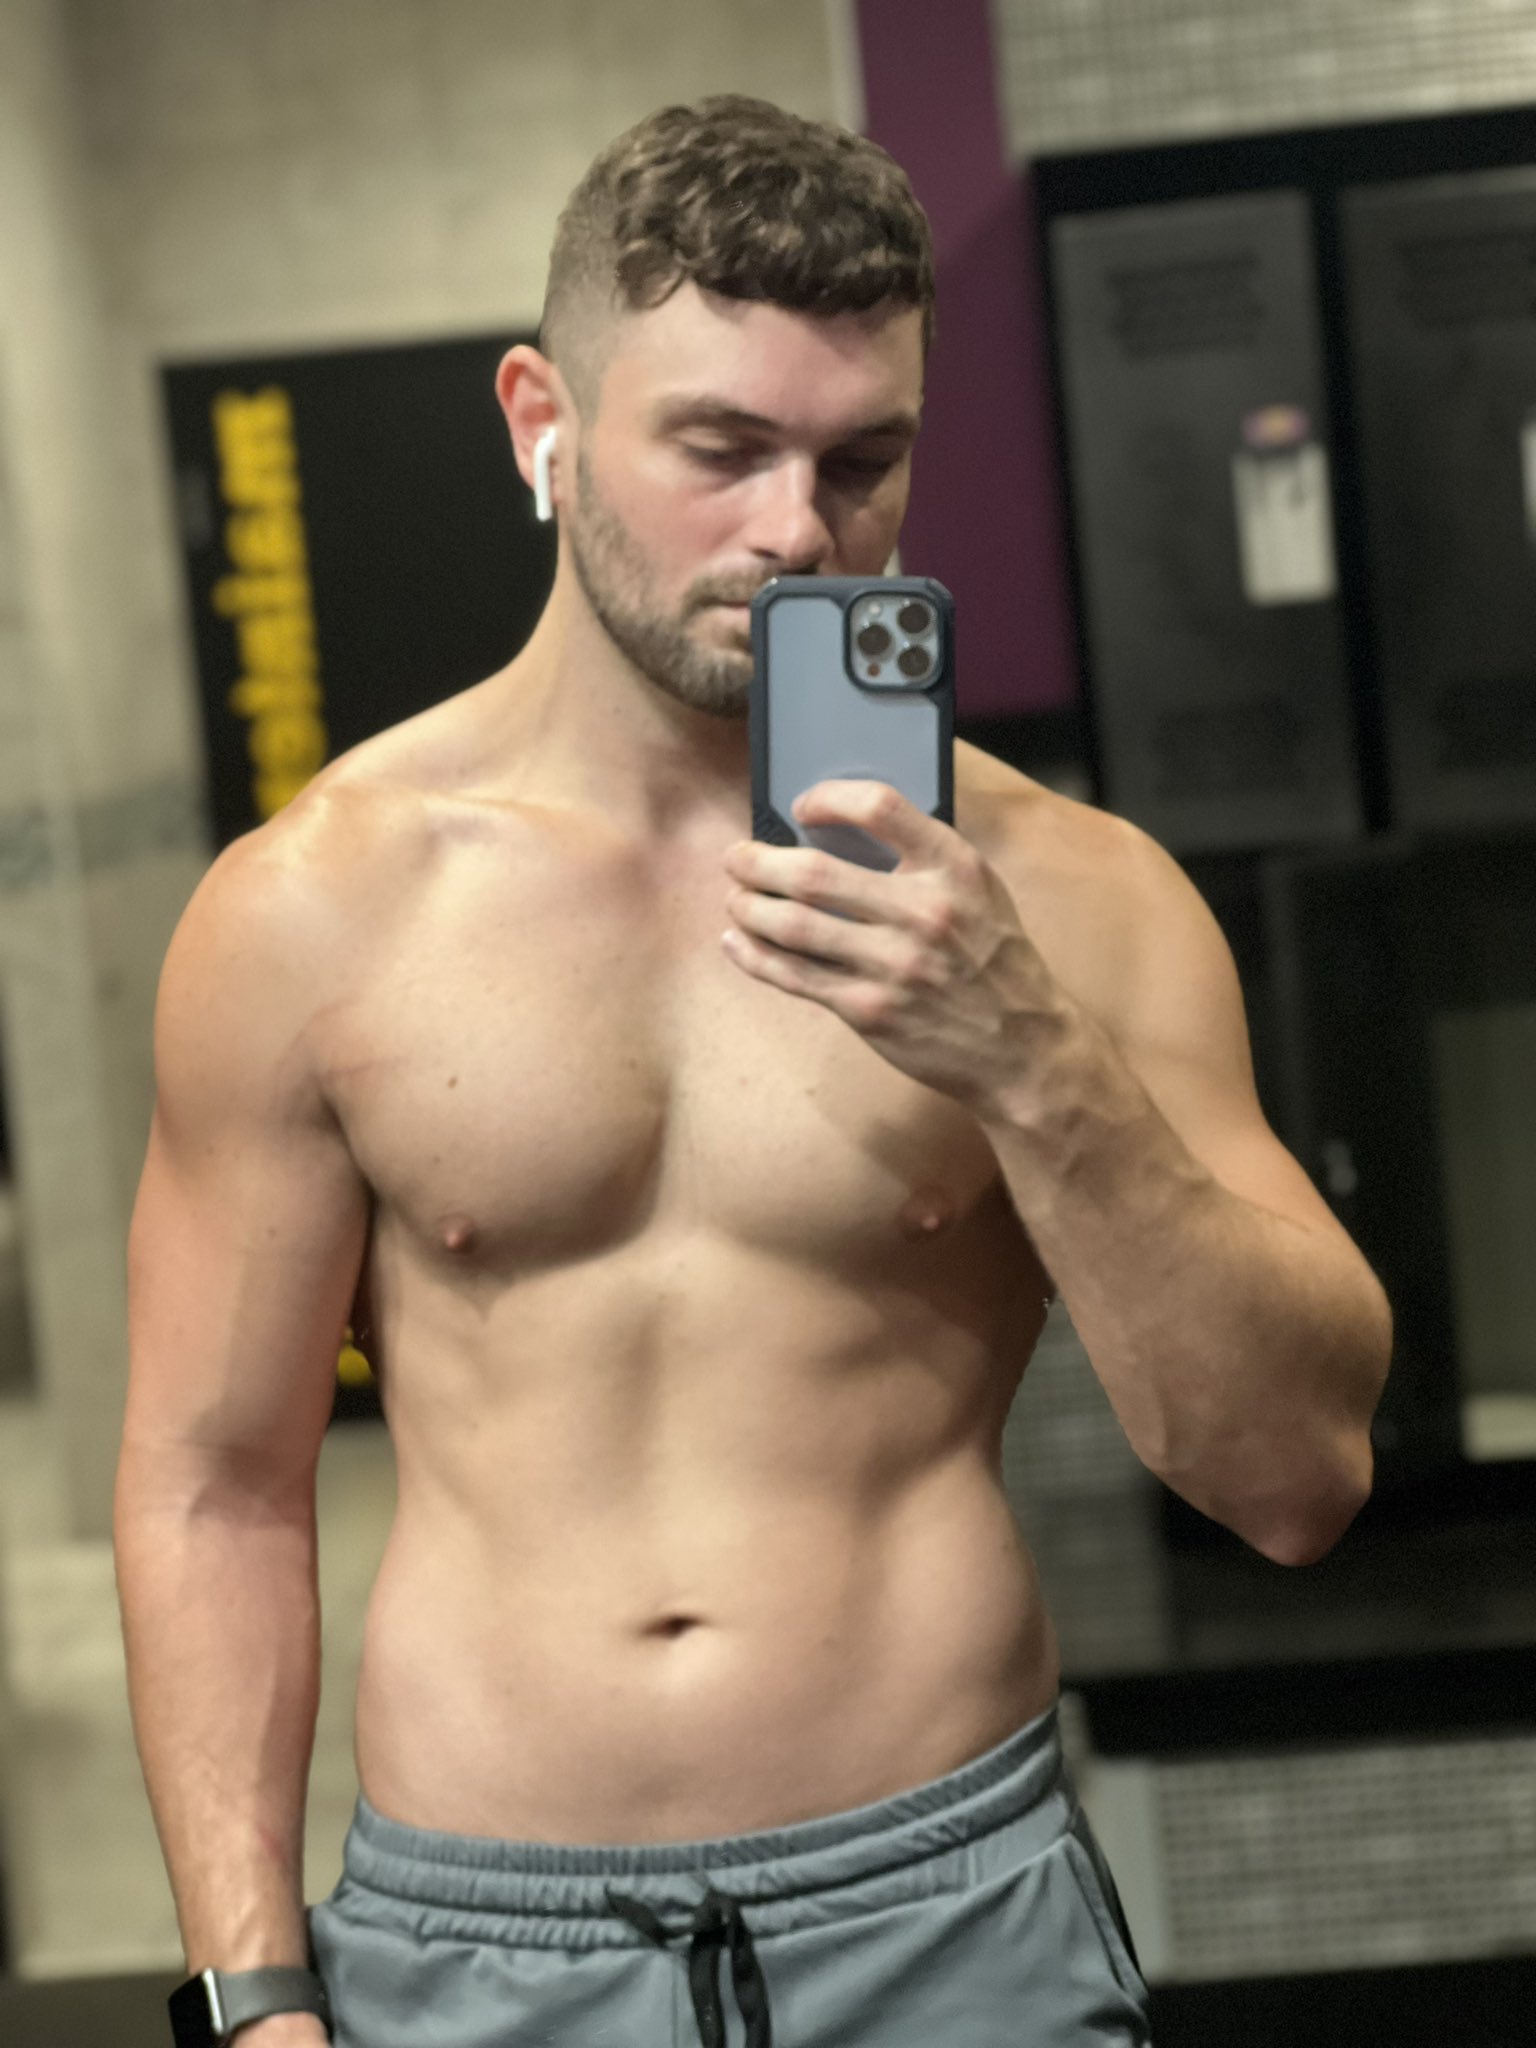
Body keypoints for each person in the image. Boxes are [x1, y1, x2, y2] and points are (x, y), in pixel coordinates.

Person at [115, 94, 1392, 2048]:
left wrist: (1034, 1063)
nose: (798, 531)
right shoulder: (319, 910)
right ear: (542, 423)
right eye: (720, 450)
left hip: (954, 1923)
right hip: (476, 1957)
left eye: (861, 460)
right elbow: (214, 1486)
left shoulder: (1064, 900)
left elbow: (1296, 1478)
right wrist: (254, 1995)